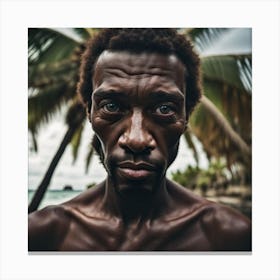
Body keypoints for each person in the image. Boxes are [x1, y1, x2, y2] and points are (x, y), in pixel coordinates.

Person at [28, 28, 251, 251]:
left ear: (186, 117)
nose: (136, 139)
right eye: (111, 106)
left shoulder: (228, 236)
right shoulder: (44, 234)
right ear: (90, 113)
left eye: (164, 109)